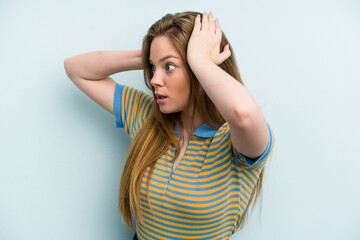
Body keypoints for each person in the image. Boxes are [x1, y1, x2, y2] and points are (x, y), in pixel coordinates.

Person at [64, 11, 273, 240]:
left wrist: (198, 59)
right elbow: (76, 69)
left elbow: (243, 113)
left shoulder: (234, 139)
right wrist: (150, 57)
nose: (154, 79)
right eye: (153, 68)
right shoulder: (147, 117)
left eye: (169, 67)